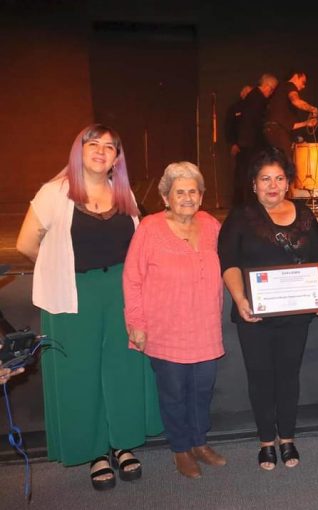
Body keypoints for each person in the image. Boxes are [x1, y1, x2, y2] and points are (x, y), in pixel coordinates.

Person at [15, 124, 162, 491]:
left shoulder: (123, 191)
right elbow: (26, 244)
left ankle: (121, 442)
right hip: (73, 294)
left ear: (117, 158)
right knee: (81, 373)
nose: (101, 150)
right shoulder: (54, 192)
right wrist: (57, 267)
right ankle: (95, 450)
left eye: (109, 146)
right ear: (78, 151)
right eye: (92, 143)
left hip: (120, 291)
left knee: (122, 366)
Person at [218, 147, 318, 470]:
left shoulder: (304, 214)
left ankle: (287, 438)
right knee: (260, 377)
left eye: (279, 179)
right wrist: (240, 299)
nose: (273, 185)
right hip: (254, 315)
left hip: (295, 314)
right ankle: (266, 442)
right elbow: (228, 262)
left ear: (288, 183)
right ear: (254, 184)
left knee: (288, 376)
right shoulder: (241, 217)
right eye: (265, 179)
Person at [123, 162, 226, 478]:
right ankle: (181, 449)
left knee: (202, 390)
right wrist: (136, 323)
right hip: (166, 329)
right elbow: (132, 278)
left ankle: (199, 442)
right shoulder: (150, 228)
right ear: (166, 197)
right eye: (179, 192)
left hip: (205, 327)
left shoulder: (210, 224)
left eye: (192, 191)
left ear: (201, 196)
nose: (187, 197)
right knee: (173, 393)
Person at [232, 74, 279, 206]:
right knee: (250, 174)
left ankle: (245, 203)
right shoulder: (257, 99)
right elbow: (255, 124)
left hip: (247, 142)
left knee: (246, 174)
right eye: (271, 90)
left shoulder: (253, 97)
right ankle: (249, 204)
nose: (271, 93)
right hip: (251, 143)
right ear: (266, 86)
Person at [264, 71, 318, 162]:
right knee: (286, 164)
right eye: (303, 82)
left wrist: (306, 123)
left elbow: (289, 125)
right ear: (296, 76)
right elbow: (296, 101)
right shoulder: (289, 85)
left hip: (272, 131)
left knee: (278, 163)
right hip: (277, 132)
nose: (303, 86)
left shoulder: (280, 94)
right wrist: (313, 109)